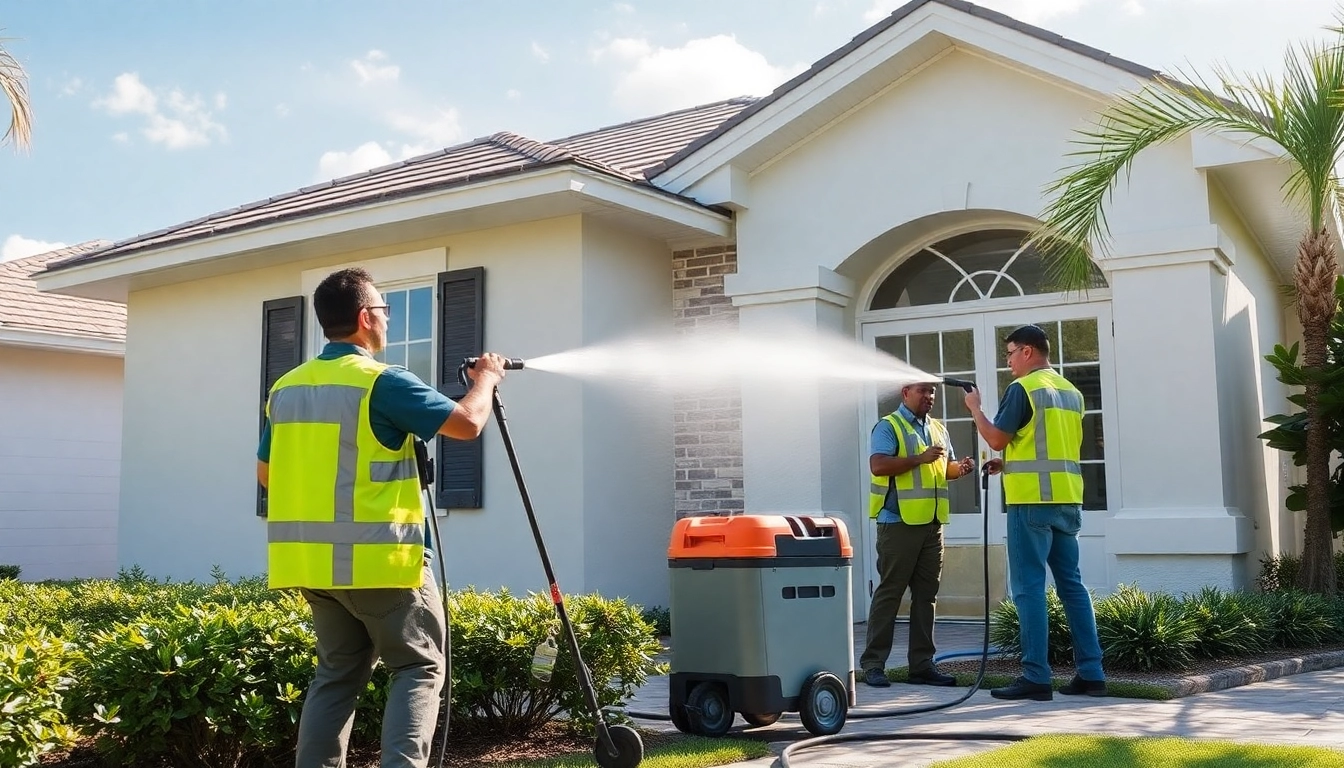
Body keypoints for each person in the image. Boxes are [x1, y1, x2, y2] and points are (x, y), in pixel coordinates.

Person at [256, 267, 508, 767]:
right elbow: (468, 423)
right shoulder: (383, 383)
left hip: (312, 567)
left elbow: (268, 476)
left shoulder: (286, 388)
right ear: (367, 317)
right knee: (418, 667)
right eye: (385, 312)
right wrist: (487, 379)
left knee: (337, 675)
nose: (388, 322)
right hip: (382, 562)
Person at [964, 324, 1106, 702]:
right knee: (1072, 586)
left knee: (1028, 589)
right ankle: (1092, 674)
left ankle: (1036, 677)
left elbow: (996, 436)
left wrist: (975, 410)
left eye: (1010, 352)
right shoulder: (1071, 391)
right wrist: (1006, 463)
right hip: (1067, 500)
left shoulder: (1023, 389)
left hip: (1031, 504)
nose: (1007, 360)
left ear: (1028, 351)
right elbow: (1046, 444)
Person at [859, 381, 975, 688]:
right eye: (923, 391)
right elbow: (878, 465)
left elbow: (943, 469)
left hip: (931, 524)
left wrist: (959, 468)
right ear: (905, 393)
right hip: (898, 523)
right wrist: (918, 459)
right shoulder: (888, 426)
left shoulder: (938, 428)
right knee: (890, 593)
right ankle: (873, 665)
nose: (929, 396)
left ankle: (922, 665)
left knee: (927, 596)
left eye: (933, 392)